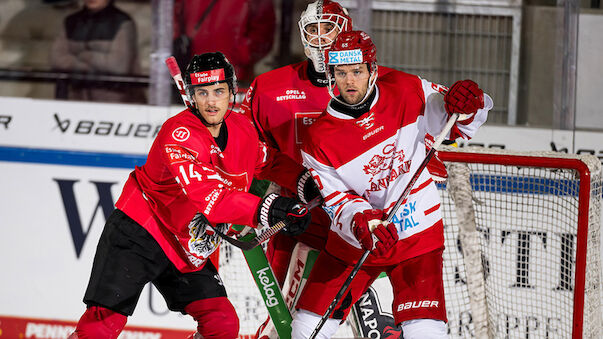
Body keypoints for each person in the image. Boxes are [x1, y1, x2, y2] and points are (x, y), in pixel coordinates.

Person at [67, 52, 311, 339]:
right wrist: (272, 208)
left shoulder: (242, 128)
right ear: (192, 95)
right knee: (101, 326)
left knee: (221, 323)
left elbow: (267, 161)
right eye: (202, 92)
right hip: (141, 232)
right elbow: (214, 199)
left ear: (232, 91)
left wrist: (303, 179)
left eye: (218, 91)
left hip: (187, 245)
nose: (211, 101)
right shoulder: (179, 133)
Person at [291, 31, 493, 339]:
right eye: (341, 73)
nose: (349, 81)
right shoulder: (318, 137)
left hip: (417, 232)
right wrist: (364, 223)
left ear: (372, 70)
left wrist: (469, 105)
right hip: (356, 241)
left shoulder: (406, 89)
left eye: (357, 71)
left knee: (424, 330)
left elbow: (456, 121)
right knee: (306, 327)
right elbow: (337, 200)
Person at [50, 0, 143, 103]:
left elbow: (117, 66)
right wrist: (88, 66)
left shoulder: (123, 22)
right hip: (74, 99)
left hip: (113, 104)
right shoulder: (71, 21)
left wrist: (85, 56)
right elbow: (57, 60)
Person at [173, 0, 276, 85]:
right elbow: (173, 20)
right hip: (197, 70)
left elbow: (263, 32)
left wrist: (242, 55)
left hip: (232, 73)